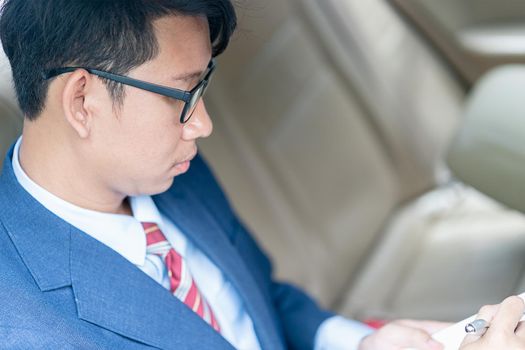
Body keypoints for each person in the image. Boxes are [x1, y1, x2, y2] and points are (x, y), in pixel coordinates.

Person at [0, 0, 451, 349]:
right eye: (182, 93)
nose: (203, 124)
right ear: (82, 101)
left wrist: (354, 341)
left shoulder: (170, 171)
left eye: (202, 86)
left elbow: (262, 302)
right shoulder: (24, 329)